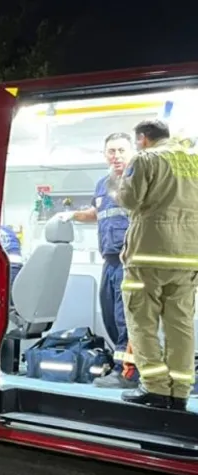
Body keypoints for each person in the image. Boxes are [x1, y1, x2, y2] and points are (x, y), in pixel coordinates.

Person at [116, 119, 198, 410]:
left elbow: (129, 200)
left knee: (142, 322)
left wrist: (118, 184)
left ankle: (155, 388)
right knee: (181, 324)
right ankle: (180, 391)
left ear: (143, 139)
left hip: (148, 255)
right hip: (189, 256)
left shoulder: (146, 158)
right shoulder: (194, 161)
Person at [60, 132, 138, 389]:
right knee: (109, 315)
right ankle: (122, 365)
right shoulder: (103, 184)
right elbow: (97, 212)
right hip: (110, 261)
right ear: (105, 154)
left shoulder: (139, 180)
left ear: (132, 151)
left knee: (125, 318)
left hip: (132, 261)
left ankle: (126, 373)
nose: (116, 156)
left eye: (121, 150)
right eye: (111, 151)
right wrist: (73, 215)